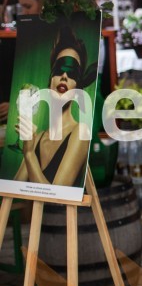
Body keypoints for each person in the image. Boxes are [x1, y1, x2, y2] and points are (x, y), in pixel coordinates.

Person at [14, 25, 96, 186]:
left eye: (72, 72)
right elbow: (13, 190)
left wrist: (30, 154)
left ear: (78, 86)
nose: (64, 76)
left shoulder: (80, 132)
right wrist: (28, 149)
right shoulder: (37, 138)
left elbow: (56, 195)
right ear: (50, 80)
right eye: (59, 69)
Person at [0, 0, 46, 124]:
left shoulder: (52, 40)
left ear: (44, 5)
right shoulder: (20, 38)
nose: (24, 12)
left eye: (28, 6)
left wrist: (16, 104)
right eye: (22, 7)